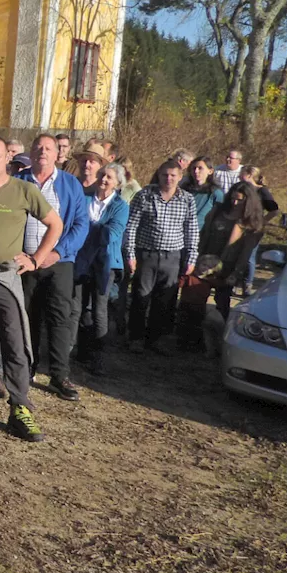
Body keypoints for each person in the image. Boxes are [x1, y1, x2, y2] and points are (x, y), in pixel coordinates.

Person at [0, 136, 63, 442]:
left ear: (7, 156)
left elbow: (55, 225)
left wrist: (36, 259)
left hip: (6, 276)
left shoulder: (24, 190)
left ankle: (20, 406)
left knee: (14, 341)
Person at [15, 135, 89, 402]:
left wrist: (57, 252)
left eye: (48, 148)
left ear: (58, 154)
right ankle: (28, 368)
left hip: (59, 262)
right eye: (37, 148)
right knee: (27, 317)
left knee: (59, 318)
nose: (42, 152)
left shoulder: (70, 185)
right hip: (24, 262)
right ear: (31, 153)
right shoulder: (19, 181)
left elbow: (81, 225)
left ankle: (60, 374)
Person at [123, 159, 199, 354]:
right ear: (159, 175)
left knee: (165, 299)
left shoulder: (187, 199)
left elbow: (192, 230)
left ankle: (156, 339)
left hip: (173, 256)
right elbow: (131, 226)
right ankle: (136, 337)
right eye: (165, 174)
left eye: (173, 175)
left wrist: (191, 258)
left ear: (180, 177)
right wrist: (130, 254)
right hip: (146, 253)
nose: (168, 179)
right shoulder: (145, 195)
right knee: (141, 296)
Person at [72, 164, 130, 375]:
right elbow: (72, 223)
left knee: (99, 309)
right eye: (102, 175)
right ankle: (79, 352)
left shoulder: (121, 206)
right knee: (77, 307)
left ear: (118, 183)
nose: (104, 179)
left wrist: (85, 228)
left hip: (106, 263)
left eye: (109, 177)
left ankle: (99, 358)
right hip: (81, 260)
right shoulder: (85, 198)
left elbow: (111, 234)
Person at [197, 181, 265, 316]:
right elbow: (204, 234)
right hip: (206, 261)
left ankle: (224, 329)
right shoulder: (218, 211)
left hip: (228, 266)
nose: (235, 203)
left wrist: (236, 273)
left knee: (222, 301)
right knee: (198, 296)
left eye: (239, 200)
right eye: (233, 198)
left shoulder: (252, 222)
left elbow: (246, 253)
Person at [237, 165, 278, 295]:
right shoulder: (241, 189)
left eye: (241, 173)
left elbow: (274, 210)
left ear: (249, 175)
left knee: (249, 256)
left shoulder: (262, 191)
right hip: (238, 226)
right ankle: (234, 282)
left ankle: (247, 285)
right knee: (236, 255)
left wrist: (262, 222)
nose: (239, 176)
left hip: (254, 228)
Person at [182, 156, 223, 231]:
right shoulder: (183, 190)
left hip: (203, 233)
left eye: (200, 168)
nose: (196, 171)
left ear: (210, 171)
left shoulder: (215, 193)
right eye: (194, 168)